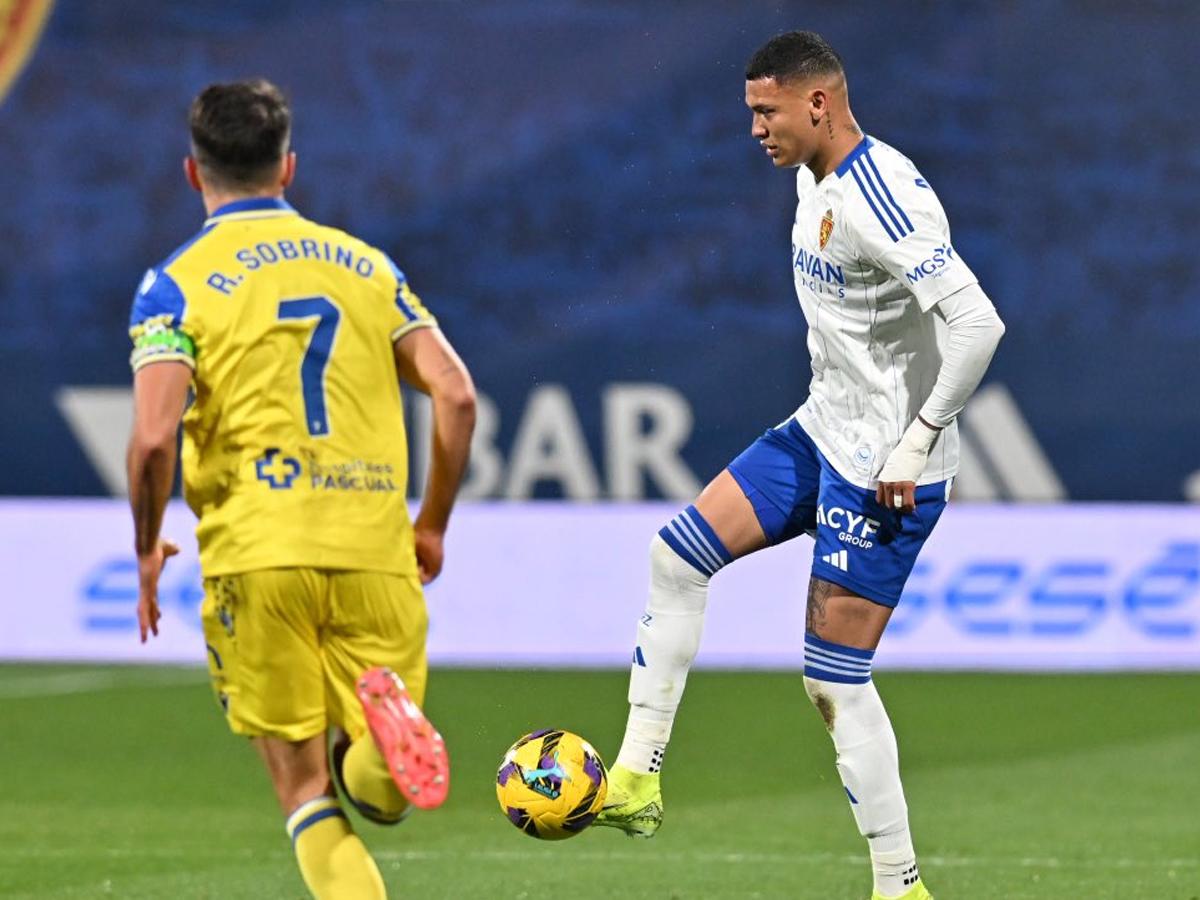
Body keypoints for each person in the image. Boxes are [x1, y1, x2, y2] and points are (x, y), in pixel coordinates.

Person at [595, 31, 1005, 900]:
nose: (755, 129)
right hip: (823, 431)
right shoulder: (808, 176)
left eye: (766, 111)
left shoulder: (882, 198)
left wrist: (918, 440)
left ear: (818, 103)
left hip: (887, 469)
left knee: (833, 681)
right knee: (676, 556)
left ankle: (899, 885)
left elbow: (979, 325)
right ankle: (634, 779)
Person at [125, 79, 476, 900]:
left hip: (259, 550)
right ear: (288, 167)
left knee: (306, 792)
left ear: (192, 172)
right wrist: (431, 523)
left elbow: (152, 438)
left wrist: (145, 547)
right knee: (378, 792)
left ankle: (366, 761)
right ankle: (379, 752)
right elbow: (456, 395)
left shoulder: (174, 284)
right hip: (374, 549)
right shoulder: (367, 266)